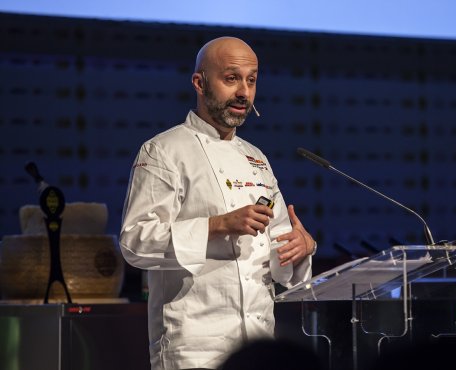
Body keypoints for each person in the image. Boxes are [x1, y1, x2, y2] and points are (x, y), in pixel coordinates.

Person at [119, 36, 317, 370]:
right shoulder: (164, 151)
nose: (244, 92)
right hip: (194, 348)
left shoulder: (257, 159)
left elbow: (280, 264)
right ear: (199, 82)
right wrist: (217, 225)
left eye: (251, 80)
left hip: (258, 345)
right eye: (231, 79)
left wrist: (298, 249)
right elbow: (135, 242)